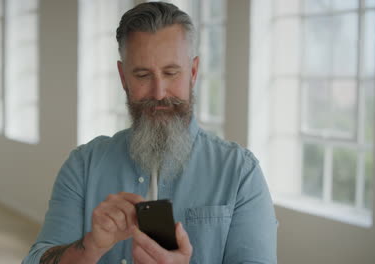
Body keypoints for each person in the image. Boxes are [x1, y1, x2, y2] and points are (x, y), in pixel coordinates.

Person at [22, 2, 277, 264]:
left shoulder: (240, 173)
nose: (158, 92)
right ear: (123, 78)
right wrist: (89, 248)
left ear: (193, 72)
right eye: (143, 75)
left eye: (171, 72)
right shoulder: (83, 166)